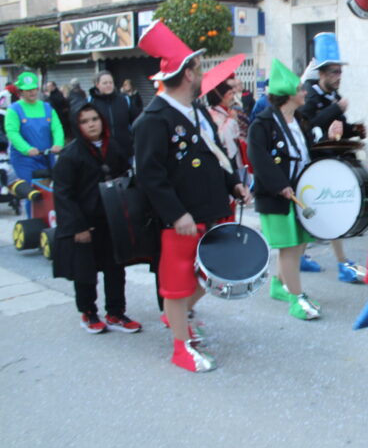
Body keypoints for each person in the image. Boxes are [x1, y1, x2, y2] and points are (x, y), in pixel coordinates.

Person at [133, 20, 250, 373]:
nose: (202, 74)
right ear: (187, 74)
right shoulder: (153, 119)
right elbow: (150, 175)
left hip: (212, 208)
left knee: (209, 276)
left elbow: (217, 154)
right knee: (177, 284)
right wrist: (176, 214)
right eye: (198, 68)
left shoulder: (197, 109)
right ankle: (180, 347)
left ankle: (179, 319)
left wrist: (234, 184)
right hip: (181, 218)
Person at [249, 59, 342, 320]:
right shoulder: (263, 123)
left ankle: (280, 285)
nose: (305, 92)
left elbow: (307, 152)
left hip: (299, 192)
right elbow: (258, 157)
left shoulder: (298, 120)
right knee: (289, 247)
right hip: (278, 196)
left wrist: (329, 139)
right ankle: (296, 298)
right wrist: (280, 185)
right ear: (289, 94)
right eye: (301, 89)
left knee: (299, 244)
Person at [52, 104, 142, 334]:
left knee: (116, 268)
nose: (91, 124)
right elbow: (63, 194)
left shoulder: (115, 147)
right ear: (77, 126)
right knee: (85, 272)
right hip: (85, 222)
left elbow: (127, 178)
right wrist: (77, 226)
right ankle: (88, 312)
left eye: (94, 119)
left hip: (112, 219)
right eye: (84, 121)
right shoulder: (70, 155)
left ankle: (116, 312)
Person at [298, 32, 367, 281]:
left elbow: (338, 128)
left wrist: (355, 130)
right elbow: (307, 124)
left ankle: (309, 259)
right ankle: (340, 264)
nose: (339, 76)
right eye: (334, 72)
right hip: (314, 165)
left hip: (330, 163)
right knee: (326, 212)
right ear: (322, 73)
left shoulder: (334, 97)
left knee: (325, 211)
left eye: (340, 71)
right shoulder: (309, 95)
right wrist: (335, 109)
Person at [4, 72, 64, 187]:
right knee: (30, 190)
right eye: (28, 90)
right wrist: (27, 149)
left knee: (48, 190)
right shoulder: (14, 109)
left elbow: (57, 128)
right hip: (24, 159)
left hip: (46, 156)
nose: (32, 92)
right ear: (20, 91)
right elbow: (12, 133)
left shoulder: (47, 107)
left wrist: (58, 143)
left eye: (34, 89)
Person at [89, 71, 138, 157]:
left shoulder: (124, 100)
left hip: (125, 151)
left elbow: (135, 122)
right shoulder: (91, 102)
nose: (108, 85)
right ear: (97, 85)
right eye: (105, 83)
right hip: (102, 152)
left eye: (110, 82)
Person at [205, 79, 243, 175]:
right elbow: (220, 137)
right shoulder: (212, 115)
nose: (233, 97)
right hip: (224, 159)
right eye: (230, 94)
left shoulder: (228, 111)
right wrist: (230, 120)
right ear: (221, 97)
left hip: (235, 156)